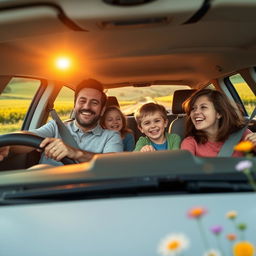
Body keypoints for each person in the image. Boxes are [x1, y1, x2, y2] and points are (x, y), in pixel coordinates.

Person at [0, 79, 123, 166]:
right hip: (46, 192)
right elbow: (31, 136)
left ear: (102, 110)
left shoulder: (111, 136)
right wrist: (8, 143)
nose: (87, 106)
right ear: (75, 106)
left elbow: (114, 163)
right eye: (82, 101)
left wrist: (76, 153)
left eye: (94, 103)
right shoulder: (56, 127)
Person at [180, 89, 256, 157]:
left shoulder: (241, 134)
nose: (196, 112)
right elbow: (184, 168)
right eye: (193, 108)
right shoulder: (190, 143)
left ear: (219, 113)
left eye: (203, 107)